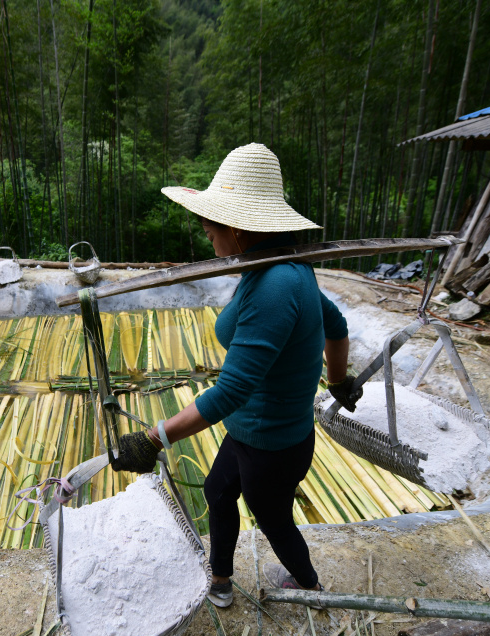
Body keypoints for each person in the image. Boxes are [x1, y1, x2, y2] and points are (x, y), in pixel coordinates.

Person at [110, 143, 363, 608]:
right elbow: (337, 328)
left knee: (273, 521)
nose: (207, 235)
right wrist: (338, 380)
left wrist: (153, 438)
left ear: (236, 228)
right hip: (252, 431)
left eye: (209, 227)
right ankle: (221, 580)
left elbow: (230, 391)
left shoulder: (277, 284)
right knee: (217, 492)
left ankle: (310, 587)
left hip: (272, 444)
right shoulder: (283, 268)